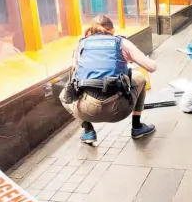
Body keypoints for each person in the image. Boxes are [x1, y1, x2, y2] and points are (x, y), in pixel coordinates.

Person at [59, 15, 157, 145]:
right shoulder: (120, 42)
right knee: (139, 78)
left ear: (91, 30)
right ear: (112, 30)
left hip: (86, 110)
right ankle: (137, 127)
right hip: (118, 110)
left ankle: (88, 131)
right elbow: (152, 67)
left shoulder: (81, 44)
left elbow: (74, 71)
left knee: (63, 95)